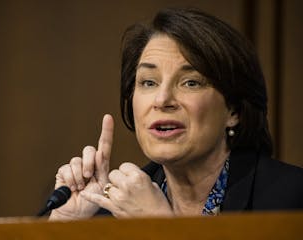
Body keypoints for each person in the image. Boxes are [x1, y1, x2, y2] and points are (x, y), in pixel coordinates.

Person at [49, 8, 303, 220]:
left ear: (233, 110)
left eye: (190, 82)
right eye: (149, 82)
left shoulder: (292, 197)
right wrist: (65, 226)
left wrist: (162, 230)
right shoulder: (108, 208)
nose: (162, 100)